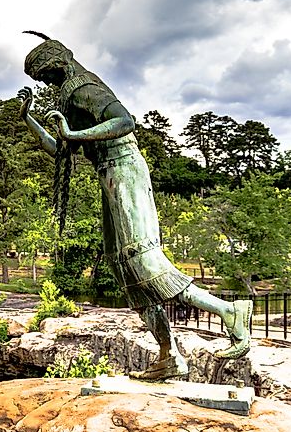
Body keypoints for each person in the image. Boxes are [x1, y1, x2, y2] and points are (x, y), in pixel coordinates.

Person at [18, 32, 252, 380]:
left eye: (47, 76)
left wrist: (75, 134)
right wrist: (29, 119)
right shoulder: (69, 96)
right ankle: (168, 355)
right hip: (108, 174)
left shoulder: (83, 88)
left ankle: (229, 310)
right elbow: (63, 149)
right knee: (123, 268)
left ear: (59, 63)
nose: (47, 83)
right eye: (42, 81)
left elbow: (125, 121)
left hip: (124, 170)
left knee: (142, 259)